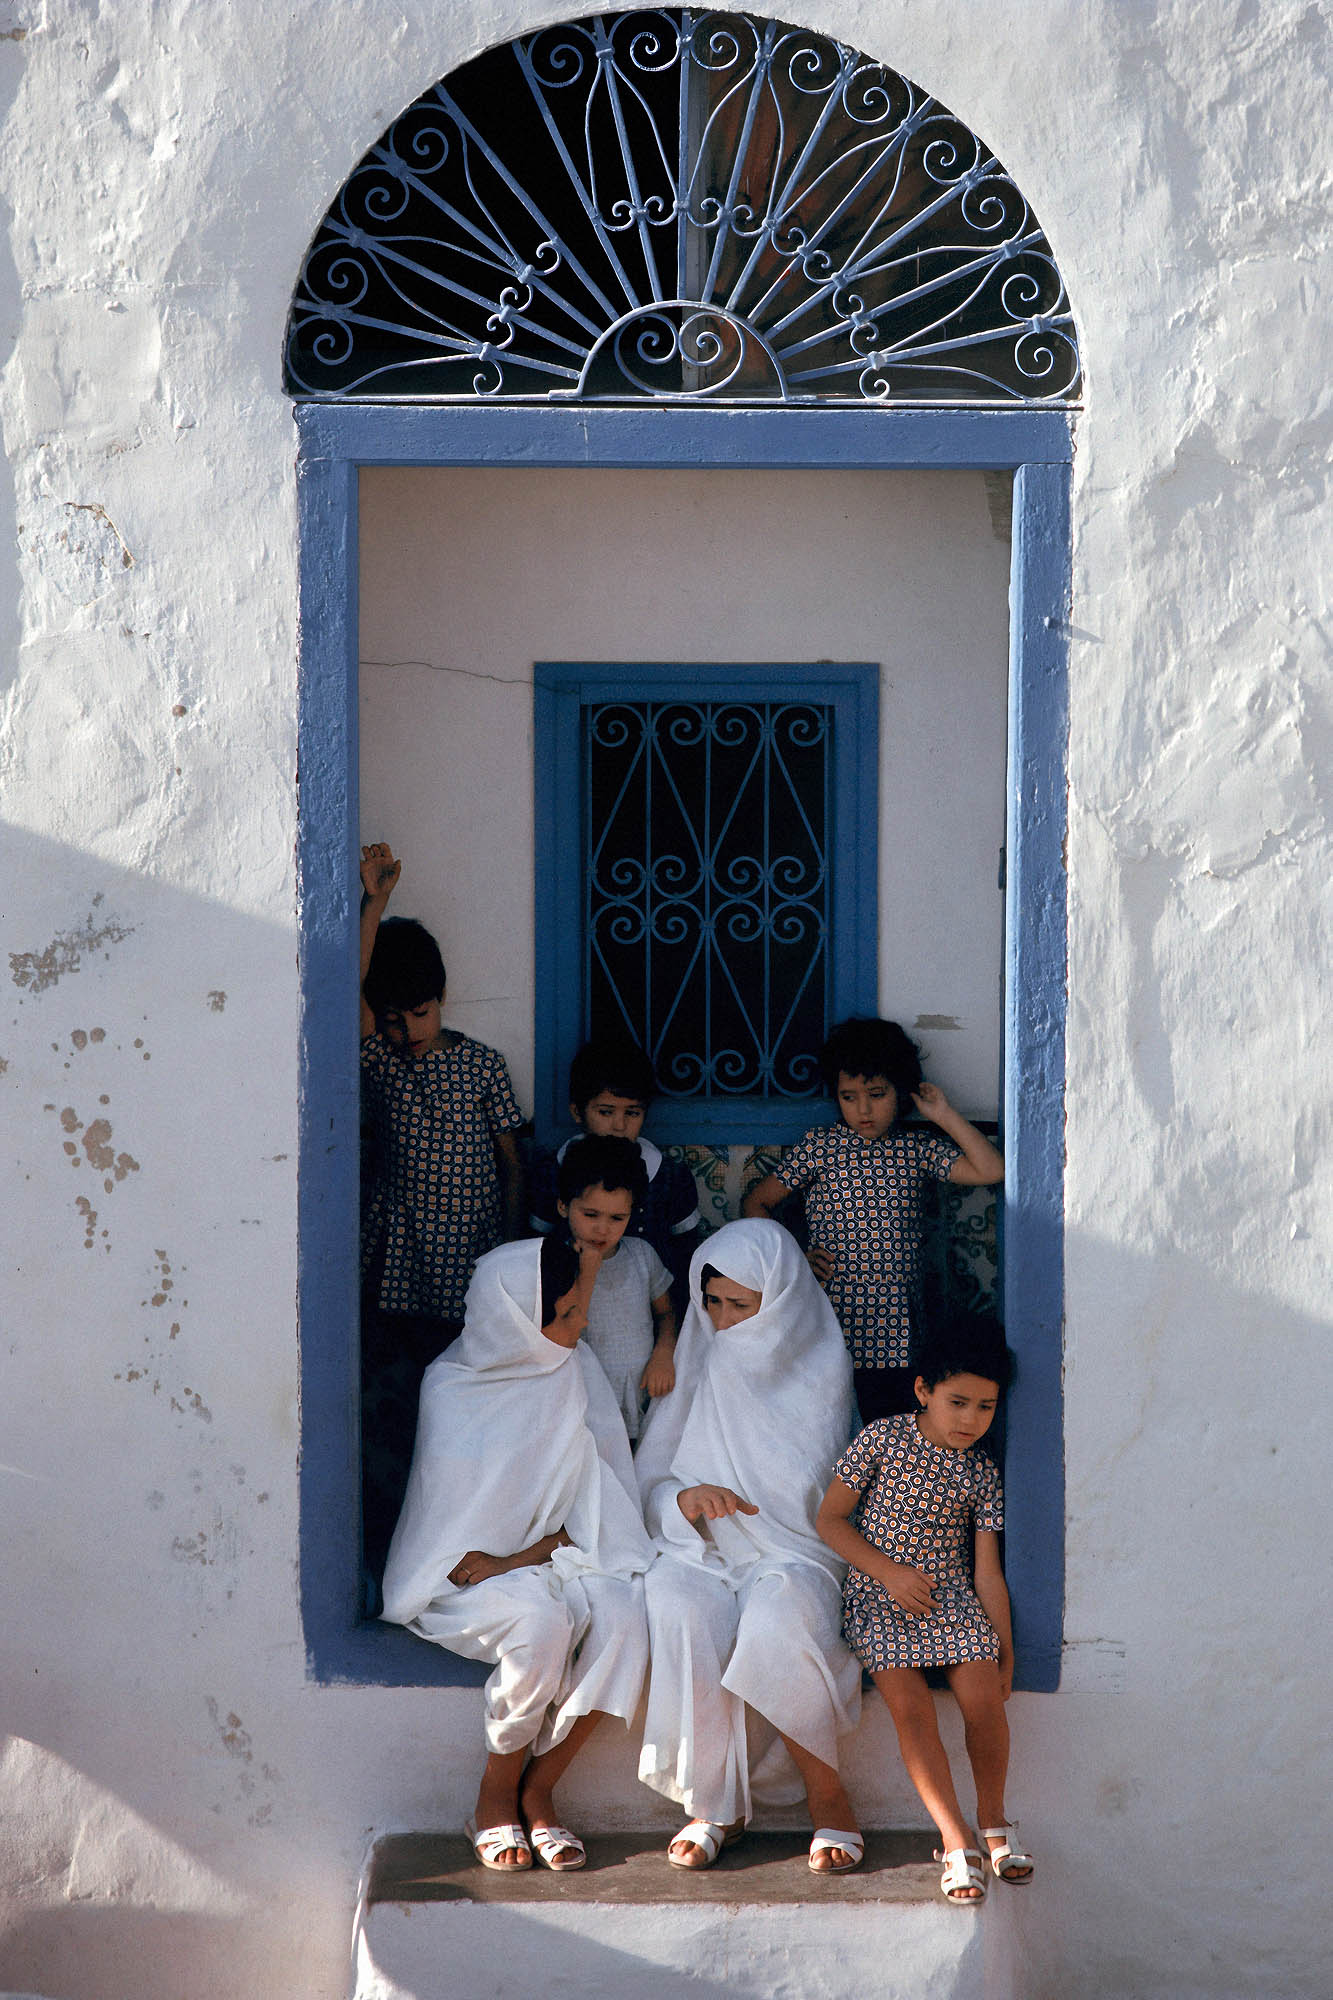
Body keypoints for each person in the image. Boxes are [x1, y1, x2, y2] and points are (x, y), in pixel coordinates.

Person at [380, 1235, 655, 1873]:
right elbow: (451, 1546)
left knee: (630, 1615)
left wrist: (522, 1558)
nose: (582, 1322)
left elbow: (599, 1510)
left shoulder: (572, 1370)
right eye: (565, 1314)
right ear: (517, 1321)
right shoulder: (452, 1389)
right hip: (462, 1586)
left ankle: (541, 1785)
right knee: (540, 1626)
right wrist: (506, 1568)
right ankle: (495, 1793)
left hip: (550, 1558)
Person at [634, 1219, 863, 1875]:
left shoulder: (820, 1363)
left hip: (798, 1554)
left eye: (740, 1304)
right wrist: (682, 1501)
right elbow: (649, 1479)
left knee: (775, 1624)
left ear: (783, 1296)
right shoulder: (697, 1357)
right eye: (712, 1303)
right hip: (700, 1550)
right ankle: (714, 1805)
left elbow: (815, 1491)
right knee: (682, 1609)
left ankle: (829, 1798)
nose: (724, 1321)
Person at [815, 1311, 1034, 1904]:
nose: (971, 1419)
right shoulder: (881, 1439)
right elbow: (829, 1520)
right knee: (911, 1708)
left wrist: (1003, 1649)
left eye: (985, 1408)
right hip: (880, 1597)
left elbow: (987, 1571)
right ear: (923, 1391)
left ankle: (994, 1822)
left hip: (952, 1598)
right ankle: (954, 1838)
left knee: (984, 1700)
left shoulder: (982, 1473)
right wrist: (887, 1573)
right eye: (957, 1402)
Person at [358, 841, 526, 1579]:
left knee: (461, 1426)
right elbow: (350, 992)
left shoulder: (482, 1065)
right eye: (392, 1019)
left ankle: (459, 1550)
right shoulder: (380, 1062)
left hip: (472, 1273)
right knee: (392, 1418)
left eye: (418, 1013)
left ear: (443, 999)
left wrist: (513, 1248)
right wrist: (375, 906)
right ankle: (395, 1556)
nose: (406, 1030)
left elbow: (513, 1163)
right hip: (395, 1272)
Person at [744, 1017, 1004, 1423]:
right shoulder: (821, 1146)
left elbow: (990, 1170)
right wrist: (794, 1258)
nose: (863, 1109)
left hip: (901, 1331)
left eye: (877, 1094)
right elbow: (756, 1203)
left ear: (901, 1092)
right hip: (830, 1324)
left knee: (888, 1431)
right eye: (848, 1097)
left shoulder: (915, 1148)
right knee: (830, 1429)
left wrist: (943, 1113)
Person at [529, 1037, 700, 1305]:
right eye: (606, 1112)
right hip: (568, 1315)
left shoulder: (669, 1177)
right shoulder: (552, 1172)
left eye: (632, 1113)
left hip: (651, 1314)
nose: (619, 1126)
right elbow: (534, 1249)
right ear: (578, 1112)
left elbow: (687, 1255)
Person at [555, 1135, 678, 1444]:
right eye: (590, 1215)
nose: (602, 1229)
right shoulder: (554, 1263)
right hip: (585, 1405)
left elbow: (666, 1312)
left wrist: (664, 1354)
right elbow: (564, 1334)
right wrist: (589, 1270)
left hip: (641, 1395)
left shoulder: (641, 1255)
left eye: (617, 1218)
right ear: (563, 1206)